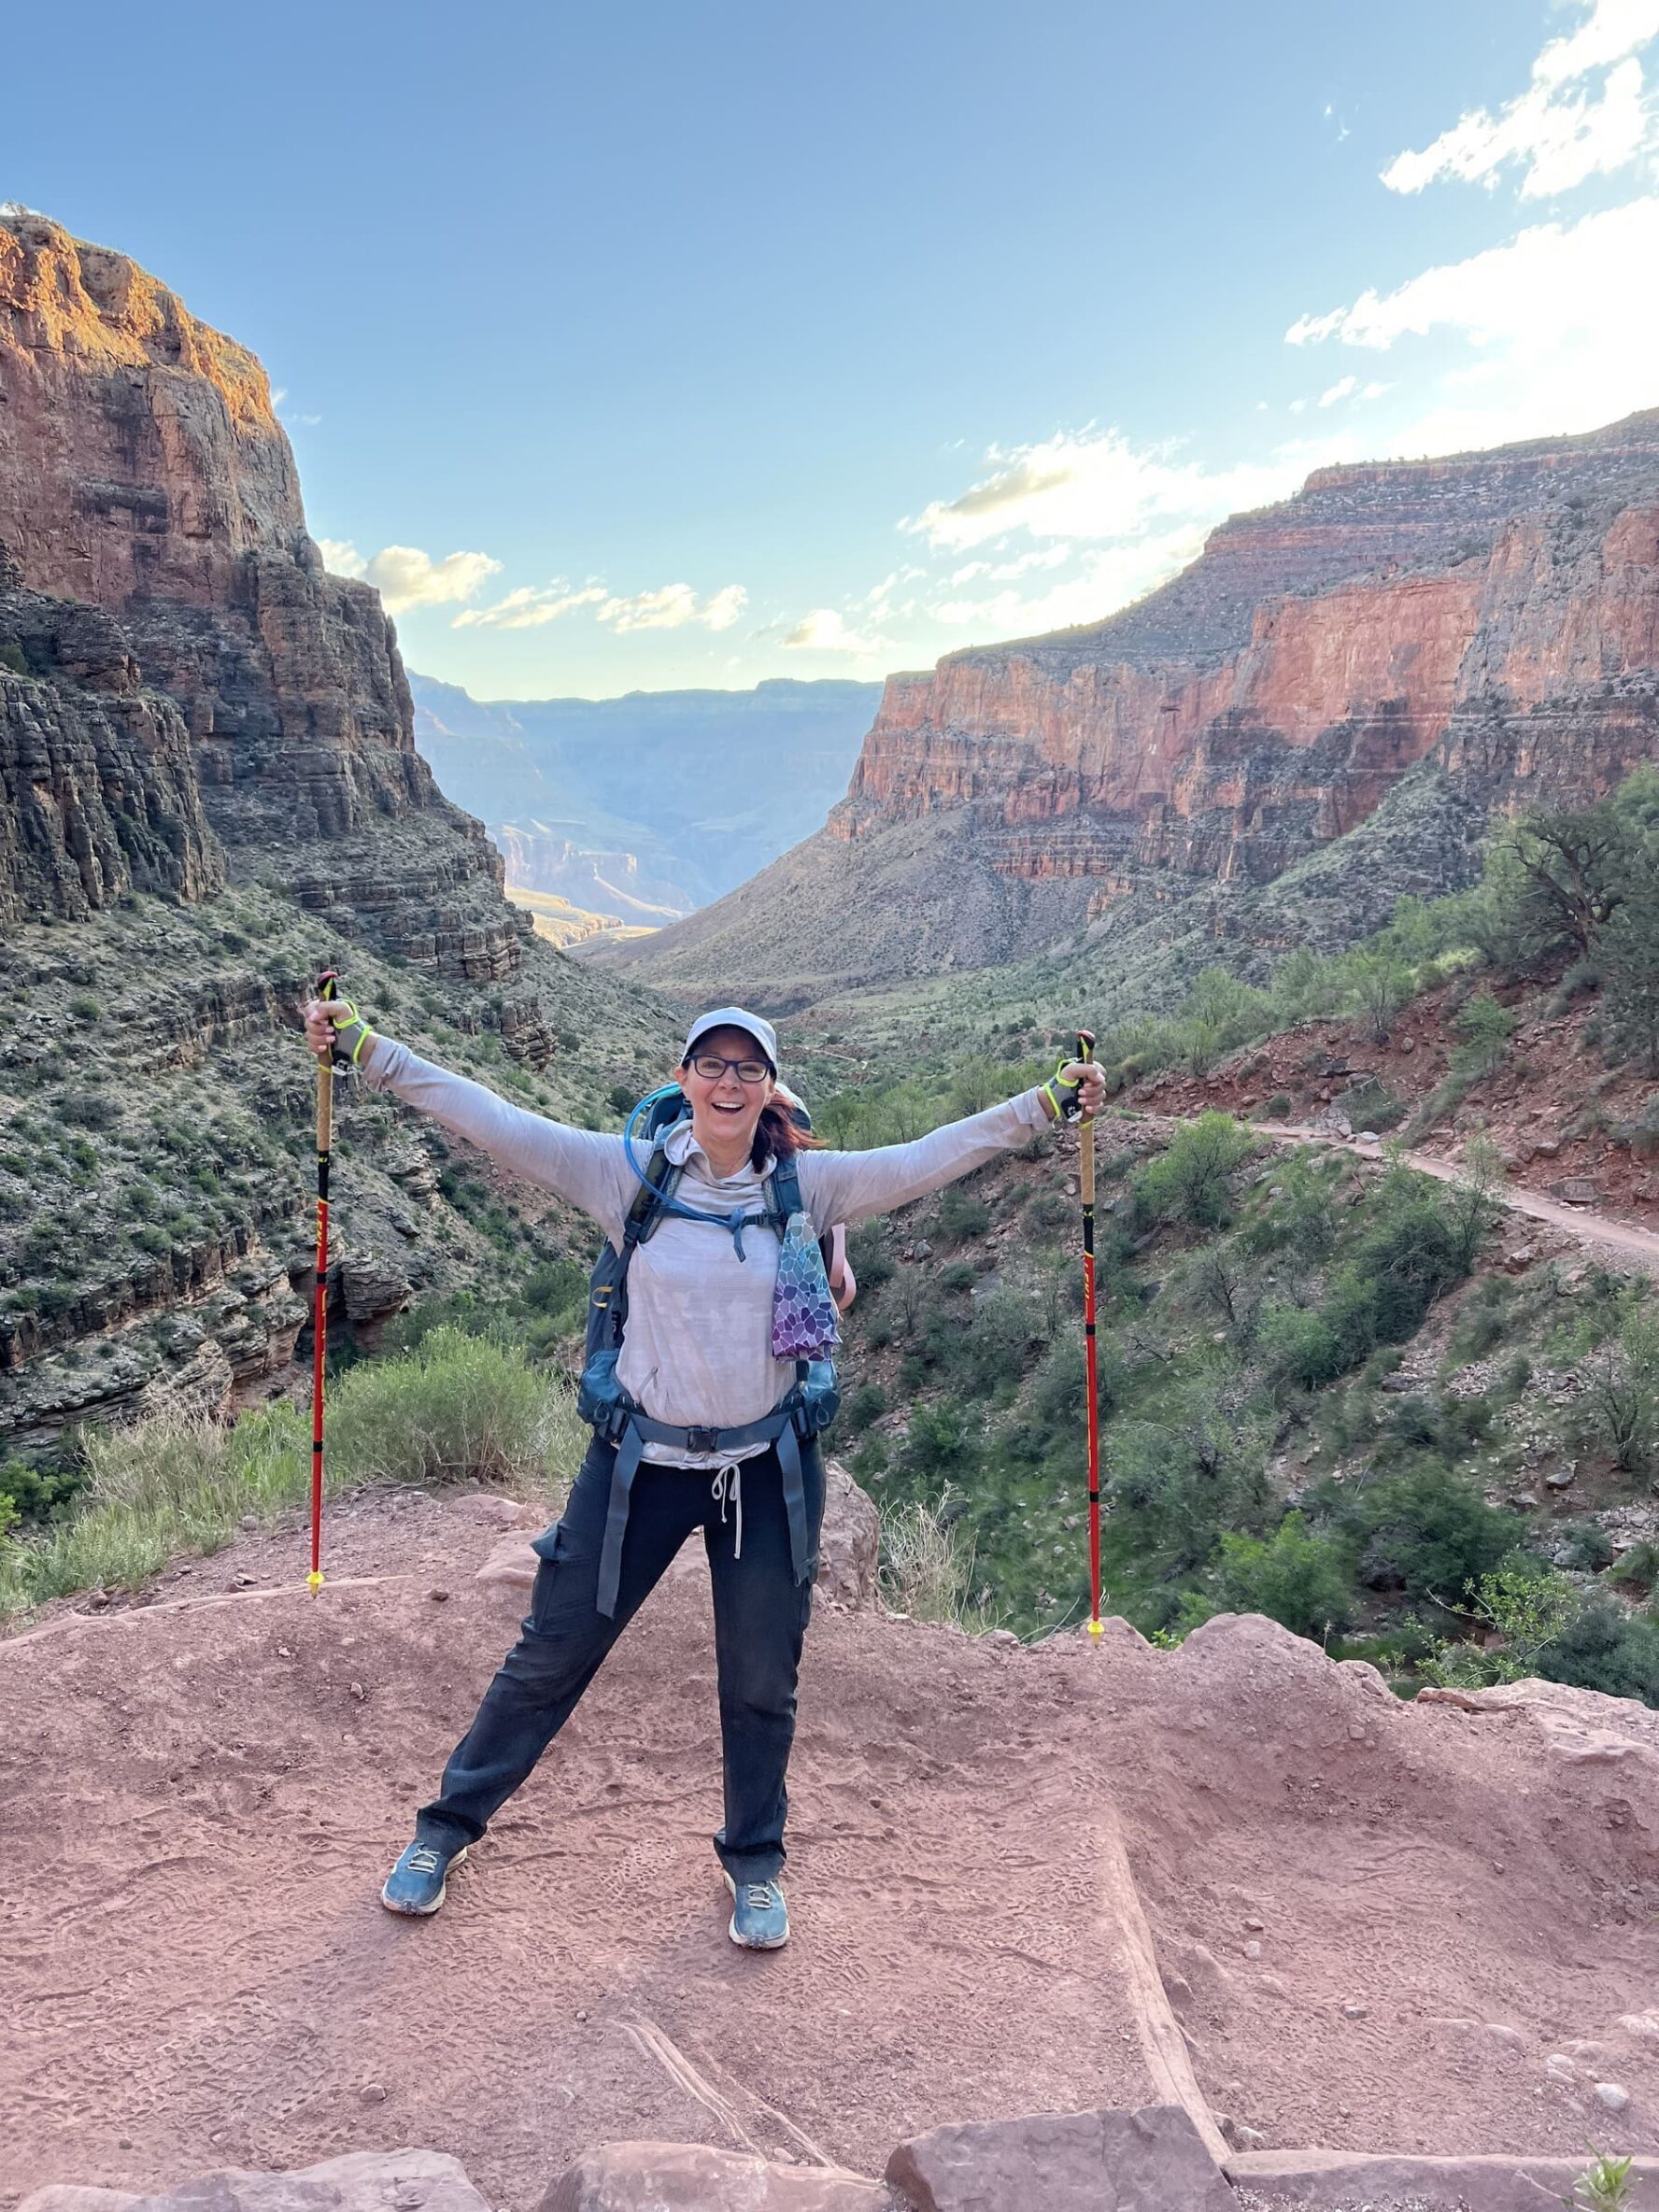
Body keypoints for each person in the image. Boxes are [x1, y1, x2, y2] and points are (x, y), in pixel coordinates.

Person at [303, 994, 1103, 1950]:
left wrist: (1048, 1104)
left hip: (765, 1468)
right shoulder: (624, 1174)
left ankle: (755, 1865)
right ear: (684, 1078)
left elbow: (934, 1154)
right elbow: (488, 1115)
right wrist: (365, 1049)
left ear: (768, 1089)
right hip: (640, 1464)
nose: (728, 1082)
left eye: (747, 1069)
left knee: (763, 1675)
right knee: (552, 1653)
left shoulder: (809, 1186)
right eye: (712, 1065)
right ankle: (445, 1831)